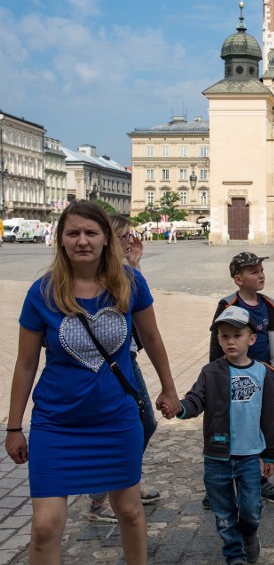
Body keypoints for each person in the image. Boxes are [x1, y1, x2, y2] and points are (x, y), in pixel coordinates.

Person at [4, 200, 180, 564]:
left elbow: (152, 338)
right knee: (45, 527)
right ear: (61, 240)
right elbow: (25, 364)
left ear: (105, 240)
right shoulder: (42, 292)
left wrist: (168, 387)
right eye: (73, 233)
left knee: (130, 512)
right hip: (58, 423)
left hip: (115, 418)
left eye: (90, 232)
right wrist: (14, 427)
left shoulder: (130, 283)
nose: (82, 240)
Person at [179, 306, 274, 565]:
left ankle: (249, 534)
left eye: (237, 335)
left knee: (250, 510)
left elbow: (270, 417)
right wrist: (180, 408)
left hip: (250, 456)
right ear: (218, 339)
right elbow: (195, 400)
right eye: (224, 336)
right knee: (224, 513)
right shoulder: (210, 372)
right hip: (216, 456)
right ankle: (233, 555)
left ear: (251, 339)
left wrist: (271, 453)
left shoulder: (262, 372)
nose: (230, 341)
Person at [86, 216, 161, 522]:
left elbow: (139, 312)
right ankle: (100, 497)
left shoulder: (124, 272)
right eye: (123, 236)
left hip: (126, 358)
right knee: (140, 423)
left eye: (131, 235)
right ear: (107, 240)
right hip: (113, 364)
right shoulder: (103, 276)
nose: (130, 240)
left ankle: (127, 483)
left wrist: (134, 265)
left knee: (140, 424)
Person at [208, 252, 274, 507]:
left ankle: (259, 480)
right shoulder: (228, 306)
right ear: (238, 279)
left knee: (260, 428)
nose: (261, 274)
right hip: (233, 380)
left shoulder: (269, 305)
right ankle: (219, 486)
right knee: (233, 429)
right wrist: (215, 381)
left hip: (263, 380)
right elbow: (215, 346)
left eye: (261, 270)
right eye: (253, 271)